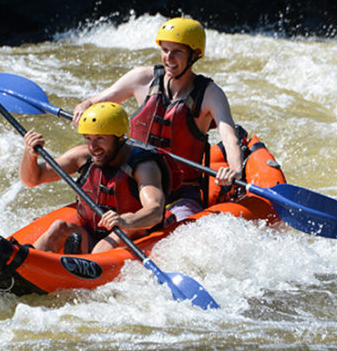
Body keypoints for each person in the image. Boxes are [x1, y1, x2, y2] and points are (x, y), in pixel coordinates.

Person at [72, 17, 243, 220]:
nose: (169, 58)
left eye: (177, 52)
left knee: (179, 224)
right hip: (132, 184)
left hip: (180, 195)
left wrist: (235, 169)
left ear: (195, 55)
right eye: (165, 50)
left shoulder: (210, 94)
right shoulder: (142, 79)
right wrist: (83, 106)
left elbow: (229, 135)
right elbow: (97, 101)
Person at [20, 102, 171, 254]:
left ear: (120, 137)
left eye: (100, 138)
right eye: (88, 138)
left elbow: (155, 211)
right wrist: (30, 154)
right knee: (58, 228)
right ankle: (25, 261)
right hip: (93, 234)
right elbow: (32, 179)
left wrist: (126, 220)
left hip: (132, 235)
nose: (93, 147)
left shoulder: (144, 166)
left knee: (116, 238)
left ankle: (84, 263)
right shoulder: (83, 156)